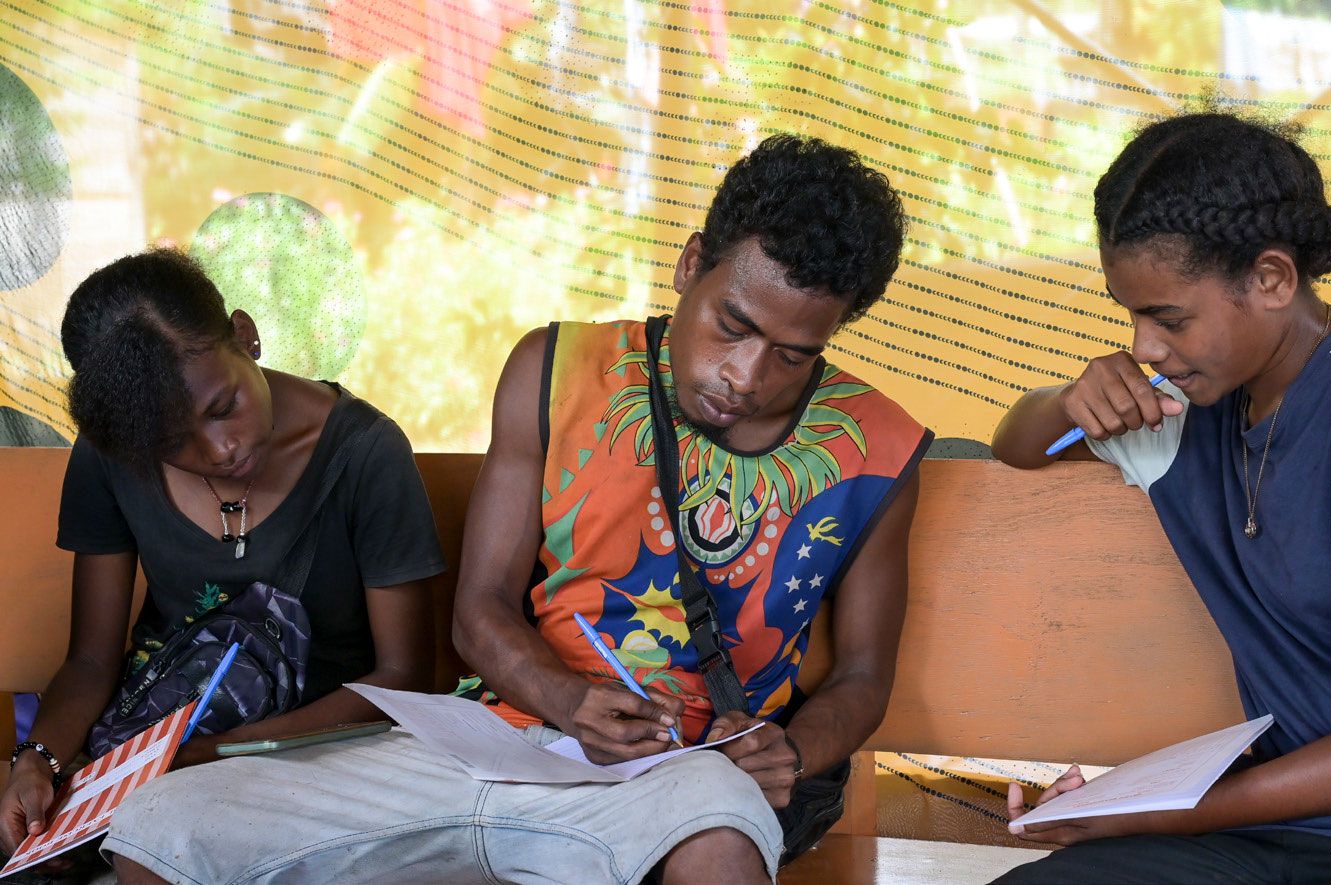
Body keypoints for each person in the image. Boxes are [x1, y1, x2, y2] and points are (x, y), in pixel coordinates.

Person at [102, 134, 932, 884]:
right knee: (162, 826)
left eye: (794, 354)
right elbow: (479, 611)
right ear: (689, 266)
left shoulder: (877, 450)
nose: (745, 376)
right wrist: (565, 701)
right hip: (491, 744)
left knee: (718, 848)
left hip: (684, 777)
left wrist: (793, 748)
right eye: (731, 325)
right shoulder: (555, 369)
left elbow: (862, 675)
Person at [991, 110, 1331, 883]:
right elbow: (1017, 444)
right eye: (1129, 315)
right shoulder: (1193, 401)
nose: (1143, 347)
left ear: (1270, 279)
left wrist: (1155, 808)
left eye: (1167, 317)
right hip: (1279, 823)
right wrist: (1071, 398)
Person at [0, 250, 444, 872]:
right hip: (160, 742)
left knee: (161, 850)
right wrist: (37, 761)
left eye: (223, 407)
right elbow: (92, 658)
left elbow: (404, 676)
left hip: (319, 748)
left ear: (244, 334)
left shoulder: (366, 453)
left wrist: (224, 752)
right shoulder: (111, 457)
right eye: (171, 443)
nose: (221, 449)